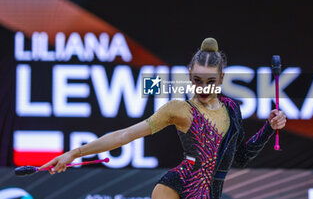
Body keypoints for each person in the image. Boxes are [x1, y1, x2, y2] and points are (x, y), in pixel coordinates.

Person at [39, 37, 287, 199]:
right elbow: (125, 135)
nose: (203, 88)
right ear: (190, 75)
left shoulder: (232, 108)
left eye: (211, 81)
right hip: (175, 189)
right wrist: (74, 153)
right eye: (197, 80)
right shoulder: (178, 109)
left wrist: (268, 128)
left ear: (221, 78)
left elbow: (240, 158)